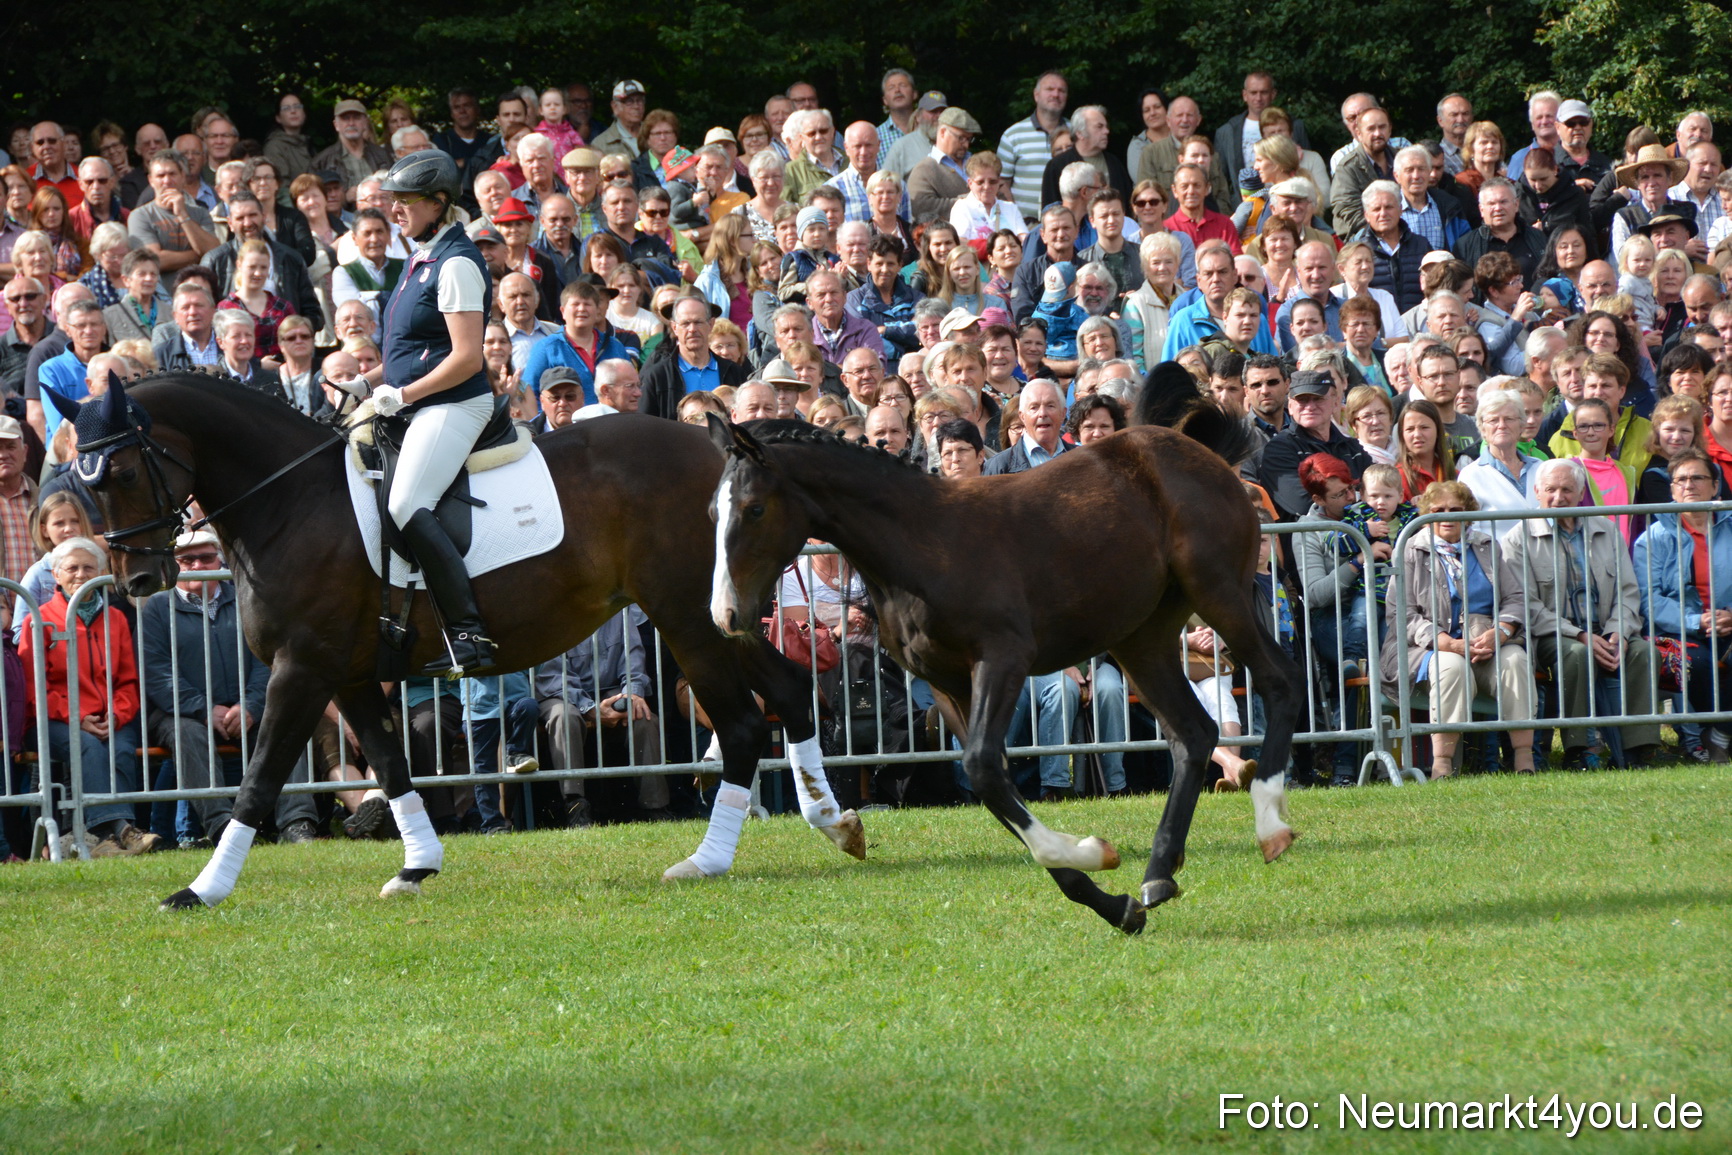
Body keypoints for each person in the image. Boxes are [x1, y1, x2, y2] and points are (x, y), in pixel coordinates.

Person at [341, 151, 497, 675]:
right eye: (391, 201)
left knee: (407, 502)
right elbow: (409, 349)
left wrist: (403, 396)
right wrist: (365, 382)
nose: (395, 212)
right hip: (417, 400)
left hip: (455, 403)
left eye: (405, 202)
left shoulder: (454, 262)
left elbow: (467, 356)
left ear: (438, 203)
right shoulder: (421, 256)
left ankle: (469, 634)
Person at [140, 529, 320, 845]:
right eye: (187, 559)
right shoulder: (156, 608)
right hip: (180, 713)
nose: (198, 565)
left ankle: (297, 823)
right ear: (173, 565)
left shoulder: (247, 598)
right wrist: (204, 709)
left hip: (246, 707)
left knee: (288, 723)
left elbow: (268, 659)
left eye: (206, 557)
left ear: (220, 559)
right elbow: (158, 674)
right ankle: (223, 828)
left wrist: (249, 706)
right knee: (188, 734)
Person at [1505, 458, 1663, 769]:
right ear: (1536, 491)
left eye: (1567, 489)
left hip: (1605, 628)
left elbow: (1627, 591)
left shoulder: (1605, 528)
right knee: (1577, 654)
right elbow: (1526, 604)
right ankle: (1580, 748)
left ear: (1581, 494)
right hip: (1555, 635)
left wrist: (1618, 631)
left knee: (1645, 653)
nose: (1558, 497)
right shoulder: (1518, 537)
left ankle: (1639, 748)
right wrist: (1579, 634)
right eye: (1550, 489)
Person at [1384, 481, 1537, 777]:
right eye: (1438, 510)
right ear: (1426, 514)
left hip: (1486, 645)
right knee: (1451, 666)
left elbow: (1516, 598)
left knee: (1516, 660)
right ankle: (1442, 763)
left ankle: (1524, 759)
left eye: (1456, 510)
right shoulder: (1409, 551)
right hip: (1427, 649)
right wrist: (1445, 642)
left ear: (1468, 514)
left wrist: (1501, 632)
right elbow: (1400, 612)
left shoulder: (1486, 546)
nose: (1447, 516)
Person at [21, 537, 162, 855]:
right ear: (56, 575)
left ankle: (106, 837)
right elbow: (33, 690)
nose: (81, 574)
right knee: (84, 745)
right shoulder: (37, 620)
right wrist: (77, 717)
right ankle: (121, 829)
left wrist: (116, 715)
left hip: (107, 717)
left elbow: (128, 681)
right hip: (52, 720)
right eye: (72, 568)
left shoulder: (116, 619)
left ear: (102, 573)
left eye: (89, 567)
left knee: (122, 749)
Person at [1634, 445, 1732, 755]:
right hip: (1677, 632)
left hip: (1729, 625)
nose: (1689, 485)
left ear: (1715, 486)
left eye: (1698, 478)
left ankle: (1719, 734)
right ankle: (1717, 733)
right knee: (1699, 664)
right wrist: (1696, 620)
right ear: (1672, 489)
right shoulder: (1652, 538)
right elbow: (1649, 599)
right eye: (1680, 479)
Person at [643, 292, 749, 417]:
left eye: (698, 322)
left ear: (711, 324)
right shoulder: (658, 376)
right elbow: (647, 423)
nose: (692, 329)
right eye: (685, 323)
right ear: (674, 327)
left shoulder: (734, 372)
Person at [996, 72, 1069, 222]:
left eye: (1061, 91)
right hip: (1025, 224)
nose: (1056, 94)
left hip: (1069, 224)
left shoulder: (1077, 133)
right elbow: (1001, 182)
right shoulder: (1013, 135)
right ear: (1036, 95)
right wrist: (1014, 219)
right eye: (1050, 89)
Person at [907, 108, 979, 223]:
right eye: (961, 138)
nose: (966, 144)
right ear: (942, 132)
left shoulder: (978, 163)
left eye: (969, 139)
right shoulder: (924, 170)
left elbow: (998, 194)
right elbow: (921, 207)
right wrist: (971, 202)